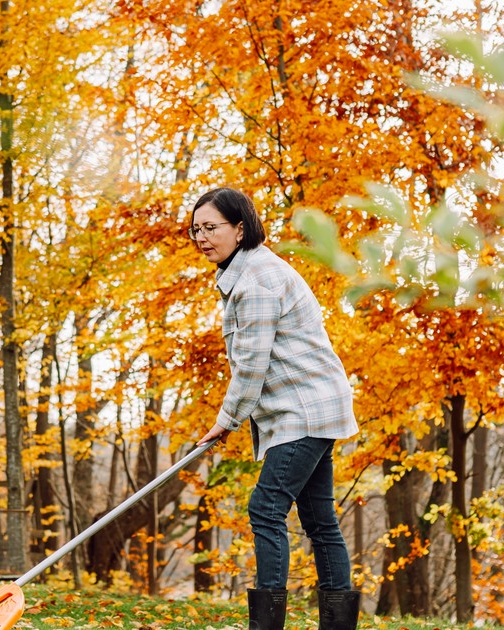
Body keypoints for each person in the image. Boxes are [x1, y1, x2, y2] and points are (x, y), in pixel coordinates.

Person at [190, 187, 361, 630]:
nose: (202, 237)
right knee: (320, 519)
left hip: (303, 410)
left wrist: (224, 422)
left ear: (240, 228)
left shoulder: (256, 281)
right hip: (311, 408)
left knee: (266, 508)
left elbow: (251, 367)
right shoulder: (248, 273)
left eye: (211, 227)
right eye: (196, 230)